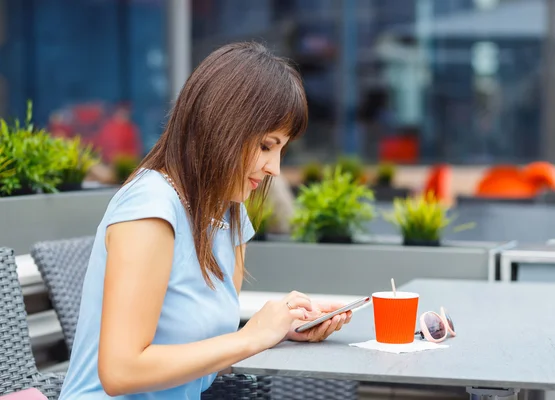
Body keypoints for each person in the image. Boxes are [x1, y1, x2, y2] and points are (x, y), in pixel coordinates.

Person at [58, 42, 352, 399]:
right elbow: (121, 371)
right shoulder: (151, 207)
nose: (274, 167)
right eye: (265, 146)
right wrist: (251, 337)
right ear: (221, 125)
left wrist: (280, 329)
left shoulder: (230, 213)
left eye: (281, 149)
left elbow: (204, 358)